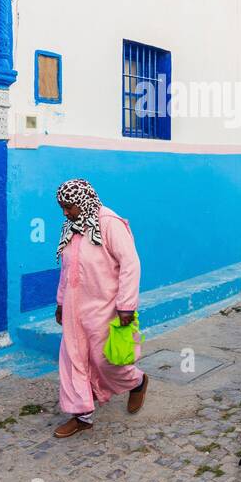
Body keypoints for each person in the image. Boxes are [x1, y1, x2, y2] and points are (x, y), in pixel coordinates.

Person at [51, 179, 149, 438]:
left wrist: (126, 305)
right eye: (62, 207)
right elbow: (67, 269)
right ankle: (81, 415)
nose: (65, 212)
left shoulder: (109, 223)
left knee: (106, 360)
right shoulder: (71, 227)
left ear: (82, 201)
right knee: (73, 359)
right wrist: (61, 302)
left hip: (105, 307)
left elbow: (130, 263)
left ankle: (137, 382)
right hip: (74, 308)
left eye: (68, 206)